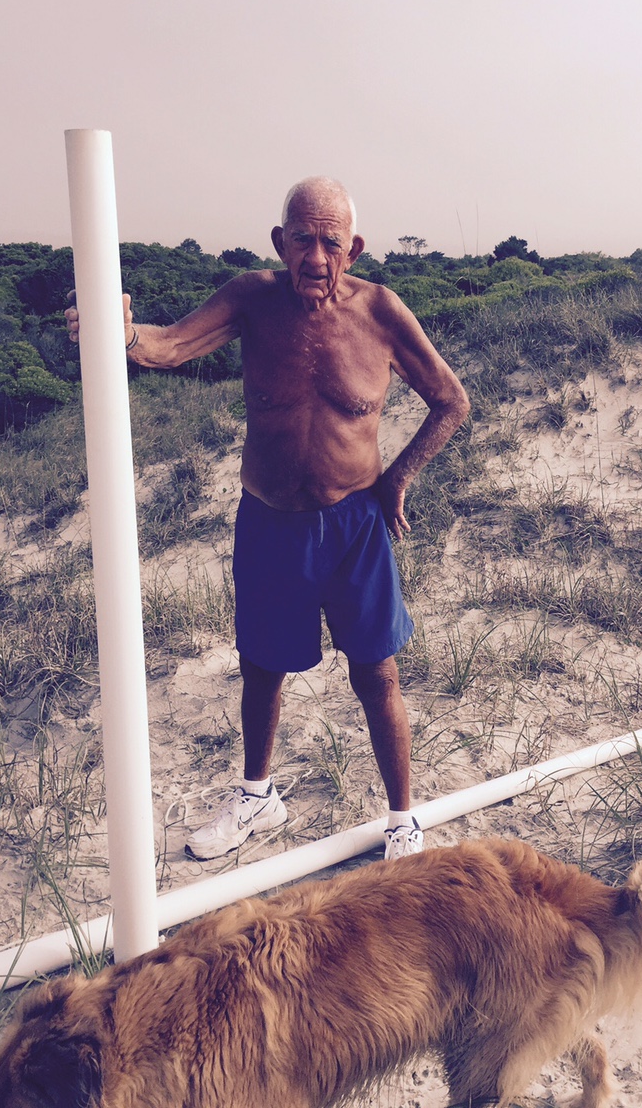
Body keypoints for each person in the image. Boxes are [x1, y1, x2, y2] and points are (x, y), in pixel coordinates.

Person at [66, 177, 470, 861]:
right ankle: (257, 797)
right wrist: (117, 330)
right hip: (270, 521)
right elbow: (165, 347)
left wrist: (398, 479)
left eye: (331, 243)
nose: (315, 256)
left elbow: (451, 400)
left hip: (354, 527)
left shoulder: (382, 312)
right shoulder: (252, 298)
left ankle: (402, 821)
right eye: (302, 240)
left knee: (378, 674)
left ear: (355, 248)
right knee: (261, 668)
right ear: (281, 243)